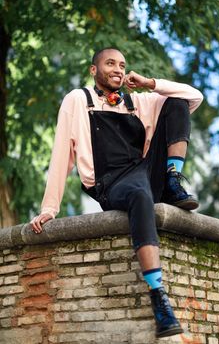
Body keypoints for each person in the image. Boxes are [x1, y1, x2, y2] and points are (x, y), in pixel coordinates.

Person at [30, 47, 203, 338]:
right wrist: (50, 208)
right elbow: (61, 153)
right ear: (94, 70)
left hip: (145, 171)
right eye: (110, 63)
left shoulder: (135, 101)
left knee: (176, 103)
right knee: (139, 194)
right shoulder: (77, 100)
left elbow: (194, 97)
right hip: (111, 183)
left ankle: (172, 180)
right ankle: (158, 296)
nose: (118, 69)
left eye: (122, 65)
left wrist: (149, 82)